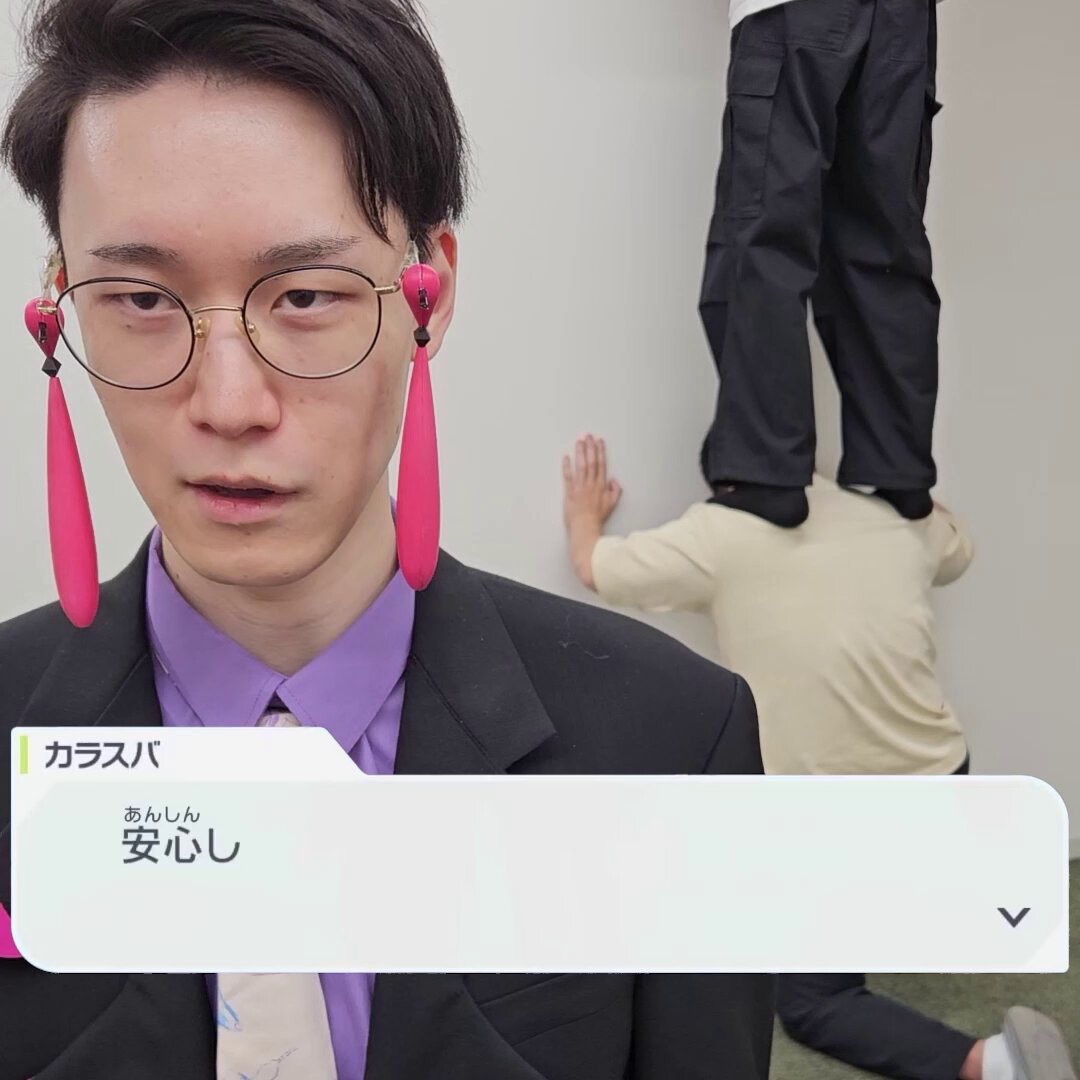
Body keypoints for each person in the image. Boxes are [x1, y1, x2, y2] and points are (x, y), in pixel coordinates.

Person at [0, 3, 777, 1078]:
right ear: (59, 309)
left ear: (429, 295)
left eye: (306, 295)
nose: (228, 403)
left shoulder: (670, 739)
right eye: (138, 297)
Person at [561, 434, 1078, 1080]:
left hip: (839, 818)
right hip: (946, 779)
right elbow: (958, 548)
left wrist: (583, 517)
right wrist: (906, 488)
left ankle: (992, 1065)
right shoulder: (884, 514)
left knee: (812, 1002)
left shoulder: (718, 534)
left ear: (724, 483)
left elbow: (596, 568)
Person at [701, 0, 947, 529]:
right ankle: (897, 467)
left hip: (794, 12)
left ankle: (766, 472)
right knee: (885, 244)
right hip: (904, 19)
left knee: (765, 233)